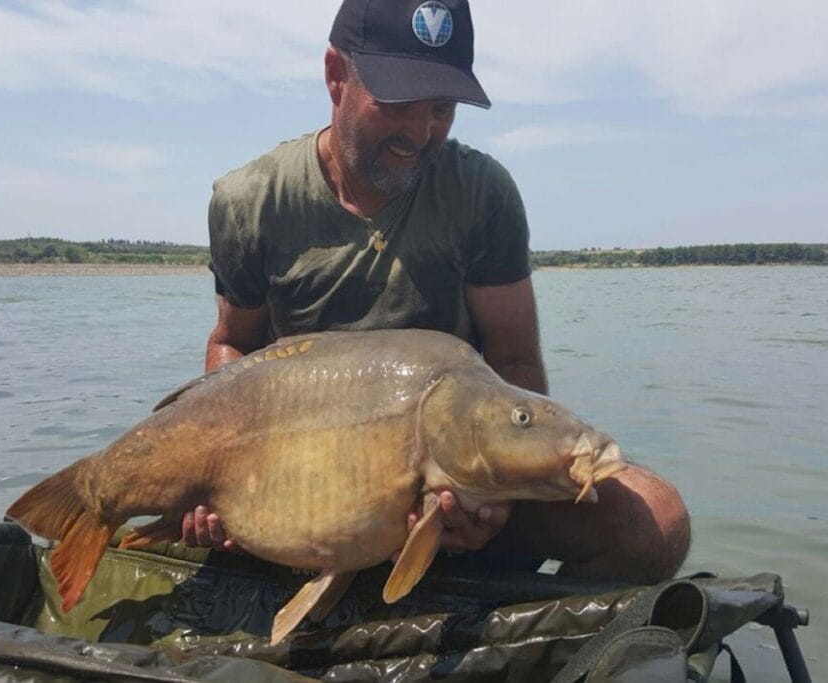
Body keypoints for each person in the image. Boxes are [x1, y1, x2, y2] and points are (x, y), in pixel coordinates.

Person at [185, 0, 690, 584]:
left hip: (454, 477)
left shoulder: (481, 193)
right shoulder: (251, 200)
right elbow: (232, 347)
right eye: (398, 105)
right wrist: (218, 474)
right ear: (335, 76)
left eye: (442, 109)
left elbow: (514, 358)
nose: (420, 134)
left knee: (657, 522)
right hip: (309, 484)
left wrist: (495, 500)